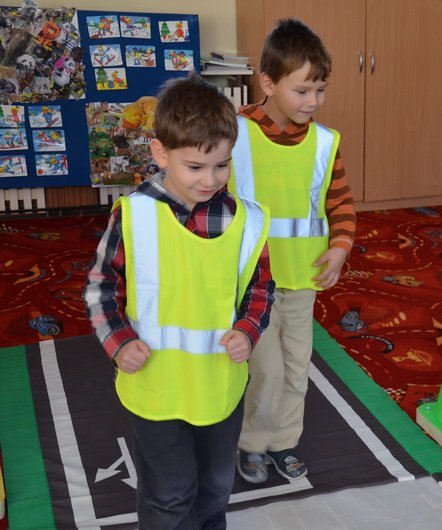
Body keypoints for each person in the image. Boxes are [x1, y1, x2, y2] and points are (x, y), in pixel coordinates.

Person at [84, 72, 275, 529]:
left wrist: (248, 331)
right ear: (160, 153)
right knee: (169, 495)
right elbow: (100, 287)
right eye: (195, 167)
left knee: (215, 489)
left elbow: (260, 288)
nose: (210, 179)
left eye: (222, 165)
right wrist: (118, 342)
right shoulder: (133, 215)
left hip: (219, 389)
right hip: (157, 389)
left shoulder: (245, 221)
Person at [229, 17, 356, 483]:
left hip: (303, 279)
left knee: (296, 367)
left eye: (320, 90)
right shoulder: (235, 133)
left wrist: (340, 247)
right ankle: (252, 443)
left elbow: (340, 203)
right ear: (268, 83)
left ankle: (284, 441)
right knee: (266, 369)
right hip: (251, 283)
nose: (313, 101)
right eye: (302, 90)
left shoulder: (325, 143)